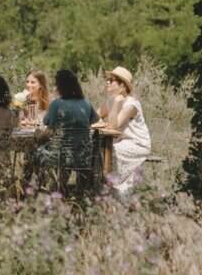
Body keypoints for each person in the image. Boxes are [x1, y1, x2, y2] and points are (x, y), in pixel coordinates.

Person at [36, 70, 99, 185]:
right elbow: (95, 120)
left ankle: (44, 187)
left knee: (37, 152)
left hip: (61, 156)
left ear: (60, 86)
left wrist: (37, 139)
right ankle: (79, 191)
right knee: (67, 156)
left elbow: (48, 128)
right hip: (83, 154)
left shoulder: (56, 104)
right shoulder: (86, 103)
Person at [100, 66, 151, 196]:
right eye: (108, 79)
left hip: (136, 143)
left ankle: (112, 187)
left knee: (108, 151)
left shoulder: (131, 105)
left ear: (122, 86)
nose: (107, 82)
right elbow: (96, 115)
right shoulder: (110, 100)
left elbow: (112, 127)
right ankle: (100, 186)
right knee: (98, 149)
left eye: (111, 80)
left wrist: (117, 103)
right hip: (120, 141)